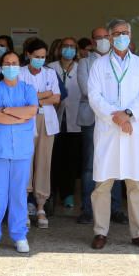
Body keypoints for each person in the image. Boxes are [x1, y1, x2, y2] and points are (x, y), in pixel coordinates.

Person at [87, 19, 139, 251]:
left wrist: (128, 114)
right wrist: (115, 117)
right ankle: (100, 231)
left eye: (125, 32)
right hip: (108, 129)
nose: (121, 36)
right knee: (103, 185)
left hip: (132, 129)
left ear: (130, 35)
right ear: (109, 37)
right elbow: (94, 96)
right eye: (116, 33)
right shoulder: (99, 65)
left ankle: (138, 233)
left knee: (135, 185)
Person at [0, 51, 38, 254]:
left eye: (14, 63)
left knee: (19, 194)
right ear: (1, 67)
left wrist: (6, 110)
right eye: (7, 63)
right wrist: (17, 115)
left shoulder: (28, 89)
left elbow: (31, 111)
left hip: (22, 150)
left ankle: (19, 235)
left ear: (19, 66)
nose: (10, 66)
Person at [77, 26, 123, 225]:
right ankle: (88, 209)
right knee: (90, 165)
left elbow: (124, 91)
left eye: (107, 36)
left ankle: (115, 209)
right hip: (92, 119)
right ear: (92, 40)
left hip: (116, 121)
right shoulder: (85, 63)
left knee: (117, 164)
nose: (104, 40)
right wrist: (112, 107)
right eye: (99, 37)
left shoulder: (121, 62)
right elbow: (88, 90)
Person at [19, 39, 61, 228]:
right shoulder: (19, 73)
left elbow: (56, 97)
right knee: (25, 162)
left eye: (43, 57)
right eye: (36, 57)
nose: (40, 60)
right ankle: (24, 207)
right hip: (26, 121)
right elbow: (20, 98)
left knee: (44, 162)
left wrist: (35, 99)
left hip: (47, 122)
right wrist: (44, 95)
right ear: (28, 55)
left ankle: (41, 206)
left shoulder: (50, 73)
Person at [50, 36, 82, 210]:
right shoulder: (50, 68)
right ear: (59, 48)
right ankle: (52, 193)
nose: (68, 49)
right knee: (54, 158)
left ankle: (68, 194)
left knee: (71, 159)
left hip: (74, 119)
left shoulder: (81, 68)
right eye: (65, 46)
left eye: (72, 46)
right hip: (55, 119)